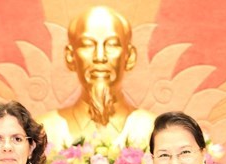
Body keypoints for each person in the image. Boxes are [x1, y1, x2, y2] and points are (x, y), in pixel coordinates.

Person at [38, 5, 155, 148]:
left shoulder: (153, 130)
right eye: (87, 45)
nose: (100, 57)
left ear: (129, 56)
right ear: (70, 56)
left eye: (112, 45)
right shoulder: (46, 131)